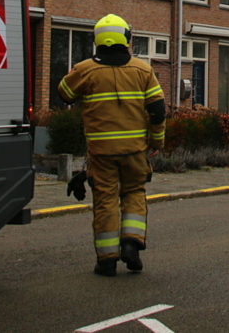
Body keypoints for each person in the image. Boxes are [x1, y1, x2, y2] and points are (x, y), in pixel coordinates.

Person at [57, 14, 166, 277]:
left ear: (97, 40)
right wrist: (156, 142)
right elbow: (158, 110)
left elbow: (64, 93)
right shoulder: (143, 70)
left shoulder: (84, 70)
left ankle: (106, 261)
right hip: (135, 150)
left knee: (105, 200)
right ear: (126, 38)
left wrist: (75, 72)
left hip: (101, 153)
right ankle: (131, 244)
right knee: (134, 193)